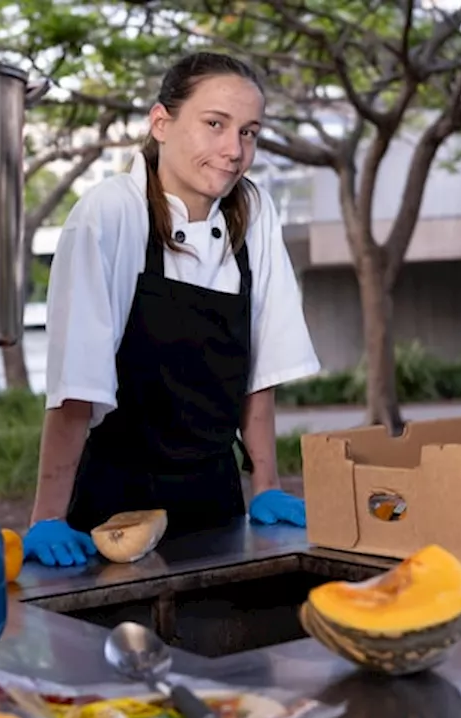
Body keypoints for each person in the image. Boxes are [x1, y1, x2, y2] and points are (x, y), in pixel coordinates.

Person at [22, 52, 322, 567]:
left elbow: (261, 368)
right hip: (114, 510)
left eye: (249, 132)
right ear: (162, 123)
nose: (234, 150)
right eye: (214, 125)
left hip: (216, 501)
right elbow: (78, 383)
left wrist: (266, 486)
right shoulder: (111, 213)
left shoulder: (254, 213)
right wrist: (46, 515)